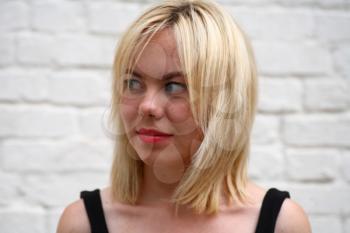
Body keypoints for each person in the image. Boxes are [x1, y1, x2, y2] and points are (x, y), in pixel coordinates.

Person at [57, 0, 311, 232]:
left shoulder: (281, 223)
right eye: (133, 83)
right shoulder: (82, 223)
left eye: (174, 86)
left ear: (224, 103)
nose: (147, 106)